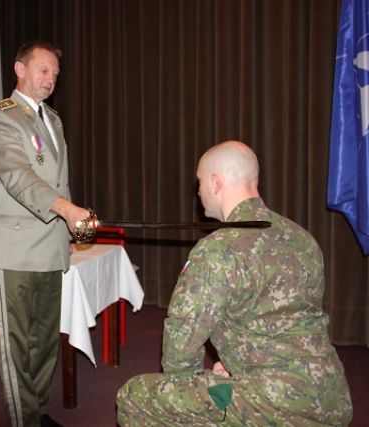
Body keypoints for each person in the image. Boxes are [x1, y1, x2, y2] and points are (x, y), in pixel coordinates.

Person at [116, 140, 353, 426]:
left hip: (274, 406)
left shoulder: (218, 249)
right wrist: (232, 370)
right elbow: (283, 323)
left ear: (215, 182)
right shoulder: (303, 239)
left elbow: (181, 348)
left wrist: (199, 383)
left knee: (133, 395)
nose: (198, 191)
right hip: (332, 397)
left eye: (200, 182)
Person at [0, 40, 90, 427]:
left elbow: (58, 180)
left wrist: (67, 232)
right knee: (16, 346)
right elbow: (18, 177)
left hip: (49, 247)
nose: (50, 79)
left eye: (55, 74)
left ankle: (38, 412)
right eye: (43, 70)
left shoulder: (52, 119)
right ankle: (23, 419)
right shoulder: (1, 118)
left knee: (44, 342)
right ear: (20, 69)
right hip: (14, 248)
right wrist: (66, 210)